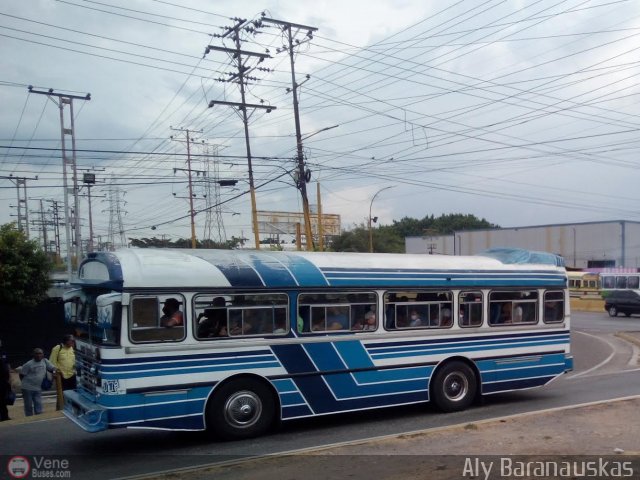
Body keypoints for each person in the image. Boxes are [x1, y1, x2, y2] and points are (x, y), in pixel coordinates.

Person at [18, 348, 56, 417]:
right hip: (27, 388)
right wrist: (26, 384)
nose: (38, 355)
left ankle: (38, 417)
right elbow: (21, 374)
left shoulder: (45, 361)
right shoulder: (28, 364)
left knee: (38, 403)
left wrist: (53, 372)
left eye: (40, 353)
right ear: (33, 355)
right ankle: (29, 418)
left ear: (43, 354)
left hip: (38, 387)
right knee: (28, 404)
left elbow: (53, 368)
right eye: (37, 353)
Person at [0, 339, 11, 421]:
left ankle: (5, 416)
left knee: (3, 398)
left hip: (4, 379)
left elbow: (7, 364)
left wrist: (10, 377)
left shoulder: (3, 352)